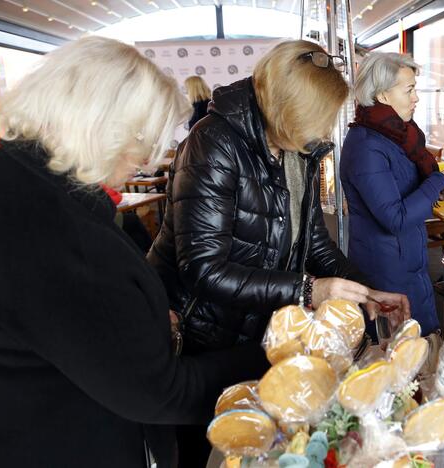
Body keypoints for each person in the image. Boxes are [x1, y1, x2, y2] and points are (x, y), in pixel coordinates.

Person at [0, 36, 270, 468]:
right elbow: (158, 391)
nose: (147, 162)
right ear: (96, 124)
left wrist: (143, 316)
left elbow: (75, 325)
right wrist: (268, 357)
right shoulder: (49, 227)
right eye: (141, 139)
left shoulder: (5, 177)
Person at [147, 40, 410, 467]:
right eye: (320, 119)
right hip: (197, 332)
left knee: (254, 442)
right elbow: (202, 268)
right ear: (290, 108)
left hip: (256, 328)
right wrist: (308, 290)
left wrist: (367, 292)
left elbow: (314, 243)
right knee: (206, 446)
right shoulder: (213, 144)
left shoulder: (296, 148)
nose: (325, 132)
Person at [340, 52, 444, 337]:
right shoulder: (366, 146)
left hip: (408, 259)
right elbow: (394, 218)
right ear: (383, 95)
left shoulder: (397, 135)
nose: (416, 98)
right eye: (409, 89)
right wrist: (439, 181)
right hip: (386, 271)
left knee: (418, 347)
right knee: (399, 353)